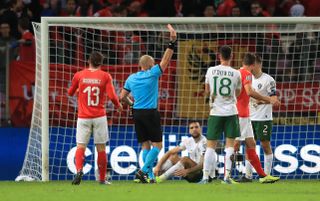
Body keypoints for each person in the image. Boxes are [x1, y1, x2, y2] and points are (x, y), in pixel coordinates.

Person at [119, 24, 177, 183]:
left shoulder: (131, 78)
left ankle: (148, 176)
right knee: (158, 145)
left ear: (140, 66)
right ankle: (143, 171)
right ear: (150, 65)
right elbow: (165, 60)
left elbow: (122, 96)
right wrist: (172, 42)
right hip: (150, 112)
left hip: (137, 113)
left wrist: (131, 103)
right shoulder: (153, 74)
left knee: (145, 145)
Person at [68, 51, 122, 185]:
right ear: (101, 63)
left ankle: (79, 170)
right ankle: (102, 179)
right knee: (101, 148)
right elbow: (112, 95)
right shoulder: (105, 76)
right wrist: (118, 105)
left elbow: (70, 92)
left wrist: (78, 91)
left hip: (83, 117)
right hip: (99, 117)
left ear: (88, 61)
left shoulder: (79, 75)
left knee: (80, 146)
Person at [198, 45, 242, 184]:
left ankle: (205, 177)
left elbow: (207, 90)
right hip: (231, 112)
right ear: (232, 56)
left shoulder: (211, 70)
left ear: (219, 56)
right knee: (230, 145)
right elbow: (238, 93)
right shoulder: (236, 73)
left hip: (215, 112)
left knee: (210, 145)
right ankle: (227, 177)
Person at [234, 53, 280, 183]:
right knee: (249, 146)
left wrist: (260, 101)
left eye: (253, 65)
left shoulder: (269, 80)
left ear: (258, 65)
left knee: (265, 145)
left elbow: (274, 100)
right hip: (249, 117)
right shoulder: (245, 76)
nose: (251, 68)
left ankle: (266, 174)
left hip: (264, 117)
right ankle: (248, 176)